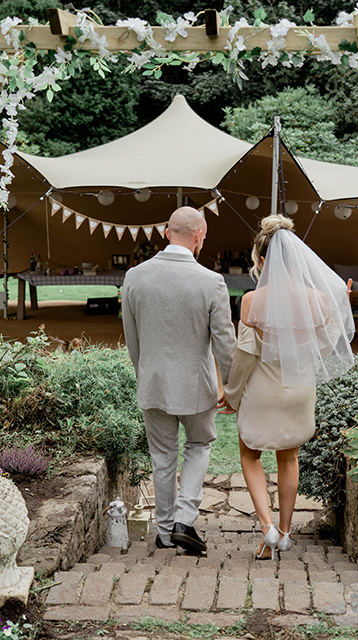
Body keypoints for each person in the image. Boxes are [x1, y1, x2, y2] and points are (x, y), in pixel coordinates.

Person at [218, 215, 355, 559]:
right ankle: (285, 532)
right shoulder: (320, 300)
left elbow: (245, 359)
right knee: (289, 458)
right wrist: (342, 303)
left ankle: (266, 528)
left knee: (250, 454)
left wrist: (231, 395)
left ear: (263, 260)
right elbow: (324, 348)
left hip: (262, 393)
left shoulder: (251, 301)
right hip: (300, 390)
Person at [122, 206, 236, 555]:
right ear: (199, 236)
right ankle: (185, 518)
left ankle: (166, 531)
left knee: (162, 455)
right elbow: (225, 343)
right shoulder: (211, 282)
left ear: (167, 233)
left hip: (153, 381)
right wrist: (231, 387)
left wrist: (147, 373)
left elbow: (132, 338)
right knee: (200, 445)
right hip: (196, 386)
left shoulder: (134, 277)